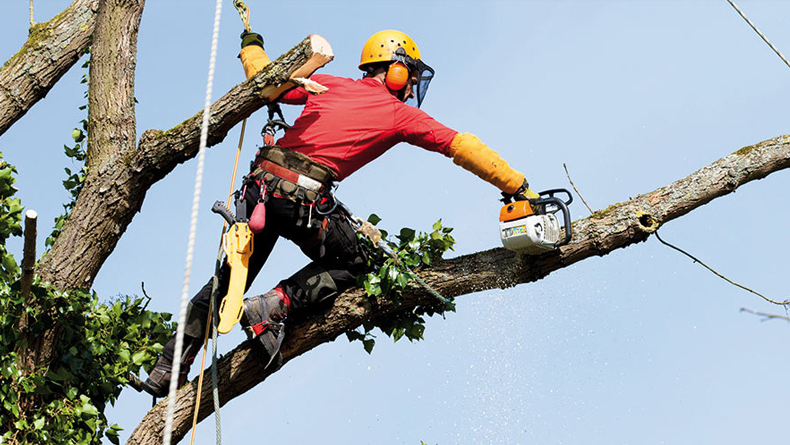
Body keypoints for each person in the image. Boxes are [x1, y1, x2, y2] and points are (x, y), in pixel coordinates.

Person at [141, 30, 540, 397]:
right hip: (300, 199)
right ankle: (275, 304)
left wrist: (251, 44)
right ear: (397, 70)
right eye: (411, 77)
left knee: (228, 282)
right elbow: (460, 145)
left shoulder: (327, 84)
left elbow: (265, 80)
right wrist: (517, 185)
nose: (413, 87)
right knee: (359, 262)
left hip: (260, 191)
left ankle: (168, 367)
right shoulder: (399, 113)